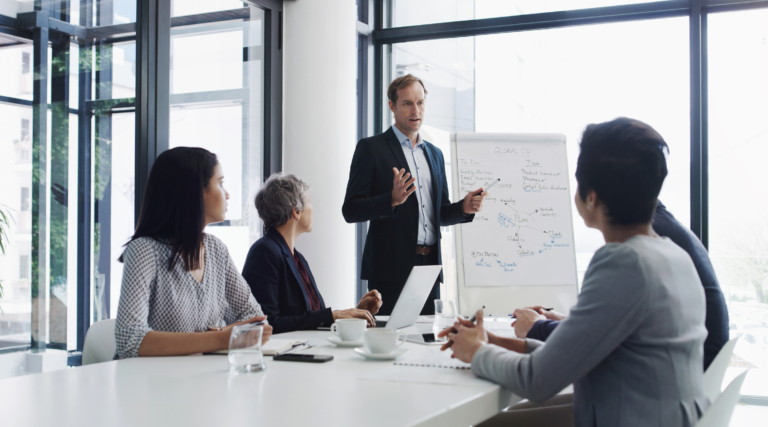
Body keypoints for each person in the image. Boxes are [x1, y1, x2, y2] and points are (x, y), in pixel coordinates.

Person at [439, 118, 709, 427]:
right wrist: (493, 341)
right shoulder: (674, 255)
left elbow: (537, 380)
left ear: (590, 197)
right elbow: (572, 353)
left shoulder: (624, 264)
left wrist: (475, 352)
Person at [514, 200, 729, 370]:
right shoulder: (664, 233)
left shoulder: (635, 246)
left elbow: (582, 347)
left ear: (593, 196)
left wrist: (536, 328)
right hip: (686, 383)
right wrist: (572, 323)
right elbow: (622, 328)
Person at [342, 74, 486, 315]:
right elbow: (351, 210)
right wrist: (391, 200)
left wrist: (463, 208)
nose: (415, 110)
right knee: (389, 341)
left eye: (420, 103)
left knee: (428, 338)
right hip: (390, 270)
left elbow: (439, 212)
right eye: (407, 103)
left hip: (429, 267)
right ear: (392, 106)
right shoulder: (371, 148)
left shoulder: (435, 154)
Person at [114, 147, 272, 359]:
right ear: (195, 191)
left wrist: (225, 334)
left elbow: (255, 318)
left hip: (201, 379)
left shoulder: (216, 250)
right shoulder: (145, 250)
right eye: (221, 183)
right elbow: (129, 339)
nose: (227, 194)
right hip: (149, 385)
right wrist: (221, 337)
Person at [243, 173, 383, 334]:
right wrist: (335, 316)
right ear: (296, 211)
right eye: (309, 202)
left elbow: (312, 317)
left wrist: (355, 313)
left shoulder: (296, 257)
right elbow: (267, 323)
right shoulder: (264, 252)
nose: (313, 210)